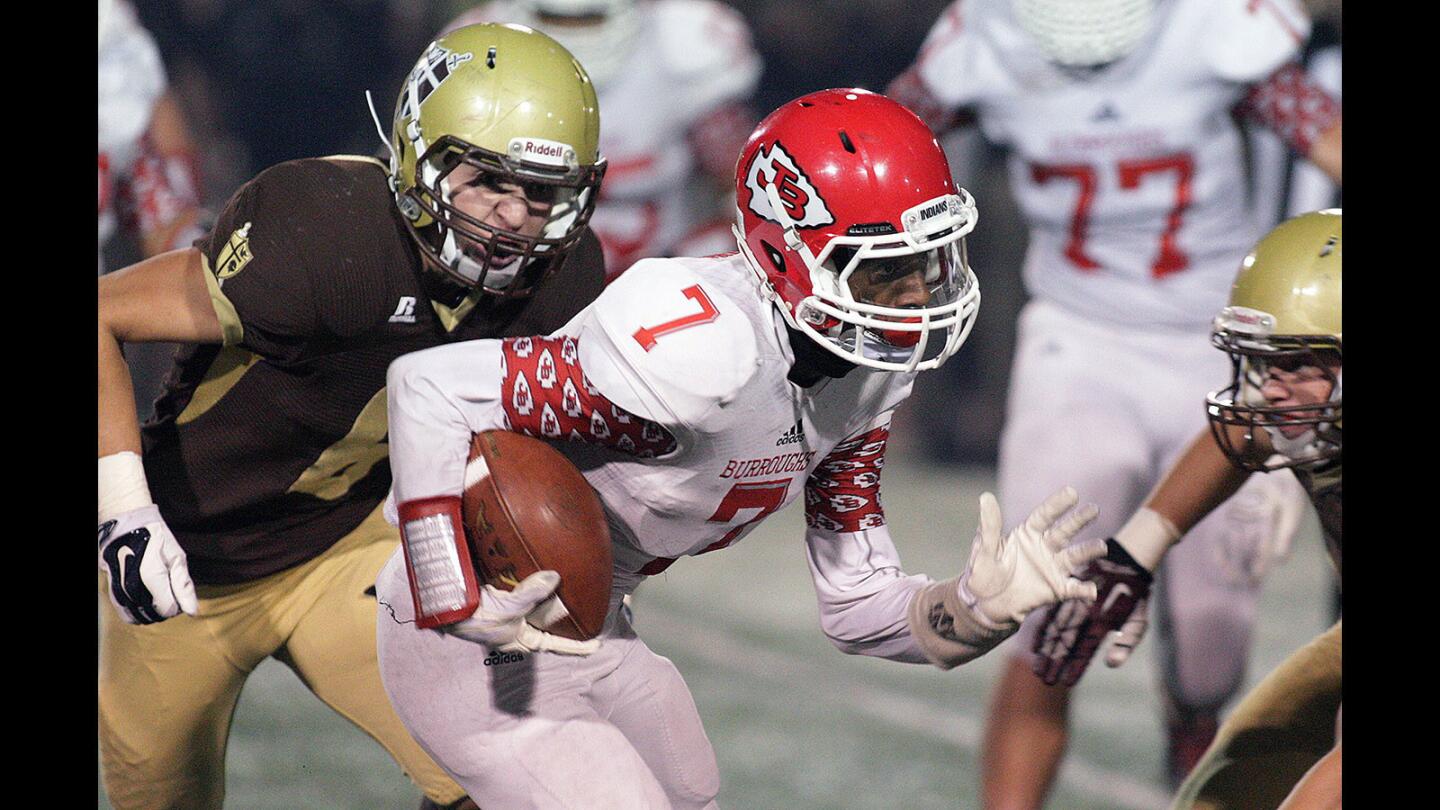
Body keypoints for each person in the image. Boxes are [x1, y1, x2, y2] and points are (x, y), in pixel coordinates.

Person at [376, 88, 1108, 809]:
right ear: (788, 254)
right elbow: (428, 388)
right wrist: (451, 596)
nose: (918, 296)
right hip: (479, 626)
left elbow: (857, 607)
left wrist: (978, 610)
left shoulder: (867, 382)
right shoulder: (695, 353)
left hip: (594, 623)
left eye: (931, 260)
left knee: (691, 790)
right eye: (884, 269)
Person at [97, 23, 608, 810]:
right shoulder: (323, 231)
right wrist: (123, 508)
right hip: (187, 566)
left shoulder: (561, 276)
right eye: (487, 181)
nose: (514, 217)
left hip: (344, 548)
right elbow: (101, 314)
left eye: (541, 192)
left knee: (502, 776)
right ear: (419, 154)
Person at [885, 0, 1342, 800]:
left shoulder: (1213, 28)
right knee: (1044, 623)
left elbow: (1328, 137)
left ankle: (1192, 744)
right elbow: (870, 150)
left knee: (1211, 648)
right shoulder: (983, 40)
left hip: (1231, 343)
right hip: (1081, 343)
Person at [1032, 208, 1342, 810]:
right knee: (1234, 786)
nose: (1272, 392)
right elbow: (1241, 436)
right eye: (1264, 364)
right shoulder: (1307, 410)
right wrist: (1135, 552)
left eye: (1299, 364)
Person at [443, 0, 762, 278]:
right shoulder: (480, 48)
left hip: (668, 261)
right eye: (556, 19)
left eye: (589, 19)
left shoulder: (683, 43)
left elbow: (740, 181)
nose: (576, 35)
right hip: (529, 261)